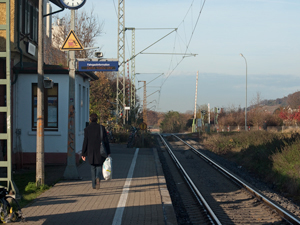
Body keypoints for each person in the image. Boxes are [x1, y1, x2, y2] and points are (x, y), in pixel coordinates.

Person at [81, 113, 111, 189]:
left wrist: (83, 153)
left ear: (90, 119)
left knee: (92, 167)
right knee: (99, 166)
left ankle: (94, 184)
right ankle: (98, 177)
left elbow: (85, 142)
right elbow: (106, 141)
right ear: (97, 119)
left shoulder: (87, 129)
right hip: (100, 150)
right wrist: (108, 152)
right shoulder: (101, 128)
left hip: (90, 151)